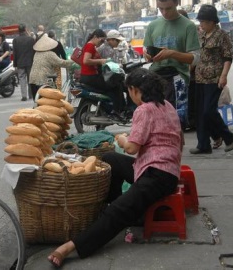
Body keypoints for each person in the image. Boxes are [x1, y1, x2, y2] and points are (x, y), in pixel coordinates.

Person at [47, 68, 183, 267]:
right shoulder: (167, 106)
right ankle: (119, 206)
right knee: (111, 158)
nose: (130, 96)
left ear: (136, 90)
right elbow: (178, 143)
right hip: (166, 171)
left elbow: (130, 148)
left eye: (130, 91)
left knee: (118, 212)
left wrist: (121, 138)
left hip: (157, 176)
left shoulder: (144, 109)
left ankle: (71, 246)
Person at [190, 4, 233, 154]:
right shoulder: (202, 35)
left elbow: (228, 57)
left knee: (208, 111)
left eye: (203, 22)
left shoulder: (221, 36)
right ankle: (203, 145)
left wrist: (224, 75)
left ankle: (228, 137)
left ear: (211, 21)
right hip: (199, 78)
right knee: (199, 112)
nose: (201, 25)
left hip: (214, 78)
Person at [143, 0, 200, 108]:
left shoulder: (188, 26)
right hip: (155, 76)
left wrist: (171, 54)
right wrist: (147, 55)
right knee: (155, 116)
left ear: (176, 3)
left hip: (177, 77)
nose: (164, 12)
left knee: (175, 119)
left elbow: (195, 59)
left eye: (168, 8)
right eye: (160, 8)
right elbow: (146, 50)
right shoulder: (152, 26)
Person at [79, 29, 125, 119]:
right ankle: (116, 111)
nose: (102, 42)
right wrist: (101, 61)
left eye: (104, 40)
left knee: (112, 85)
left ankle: (110, 108)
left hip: (90, 76)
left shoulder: (92, 46)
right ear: (95, 37)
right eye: (102, 40)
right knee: (117, 86)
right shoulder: (90, 46)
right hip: (90, 77)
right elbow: (86, 61)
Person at [29, 33, 73, 100]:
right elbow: (62, 62)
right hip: (43, 81)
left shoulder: (37, 53)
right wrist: (73, 61)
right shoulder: (50, 54)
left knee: (37, 102)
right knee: (47, 102)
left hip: (32, 80)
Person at [12, 24, 35, 101]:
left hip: (20, 62)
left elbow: (14, 53)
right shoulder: (31, 39)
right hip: (30, 62)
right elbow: (33, 51)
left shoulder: (15, 40)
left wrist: (15, 64)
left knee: (22, 79)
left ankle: (24, 95)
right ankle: (31, 94)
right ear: (25, 29)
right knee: (30, 79)